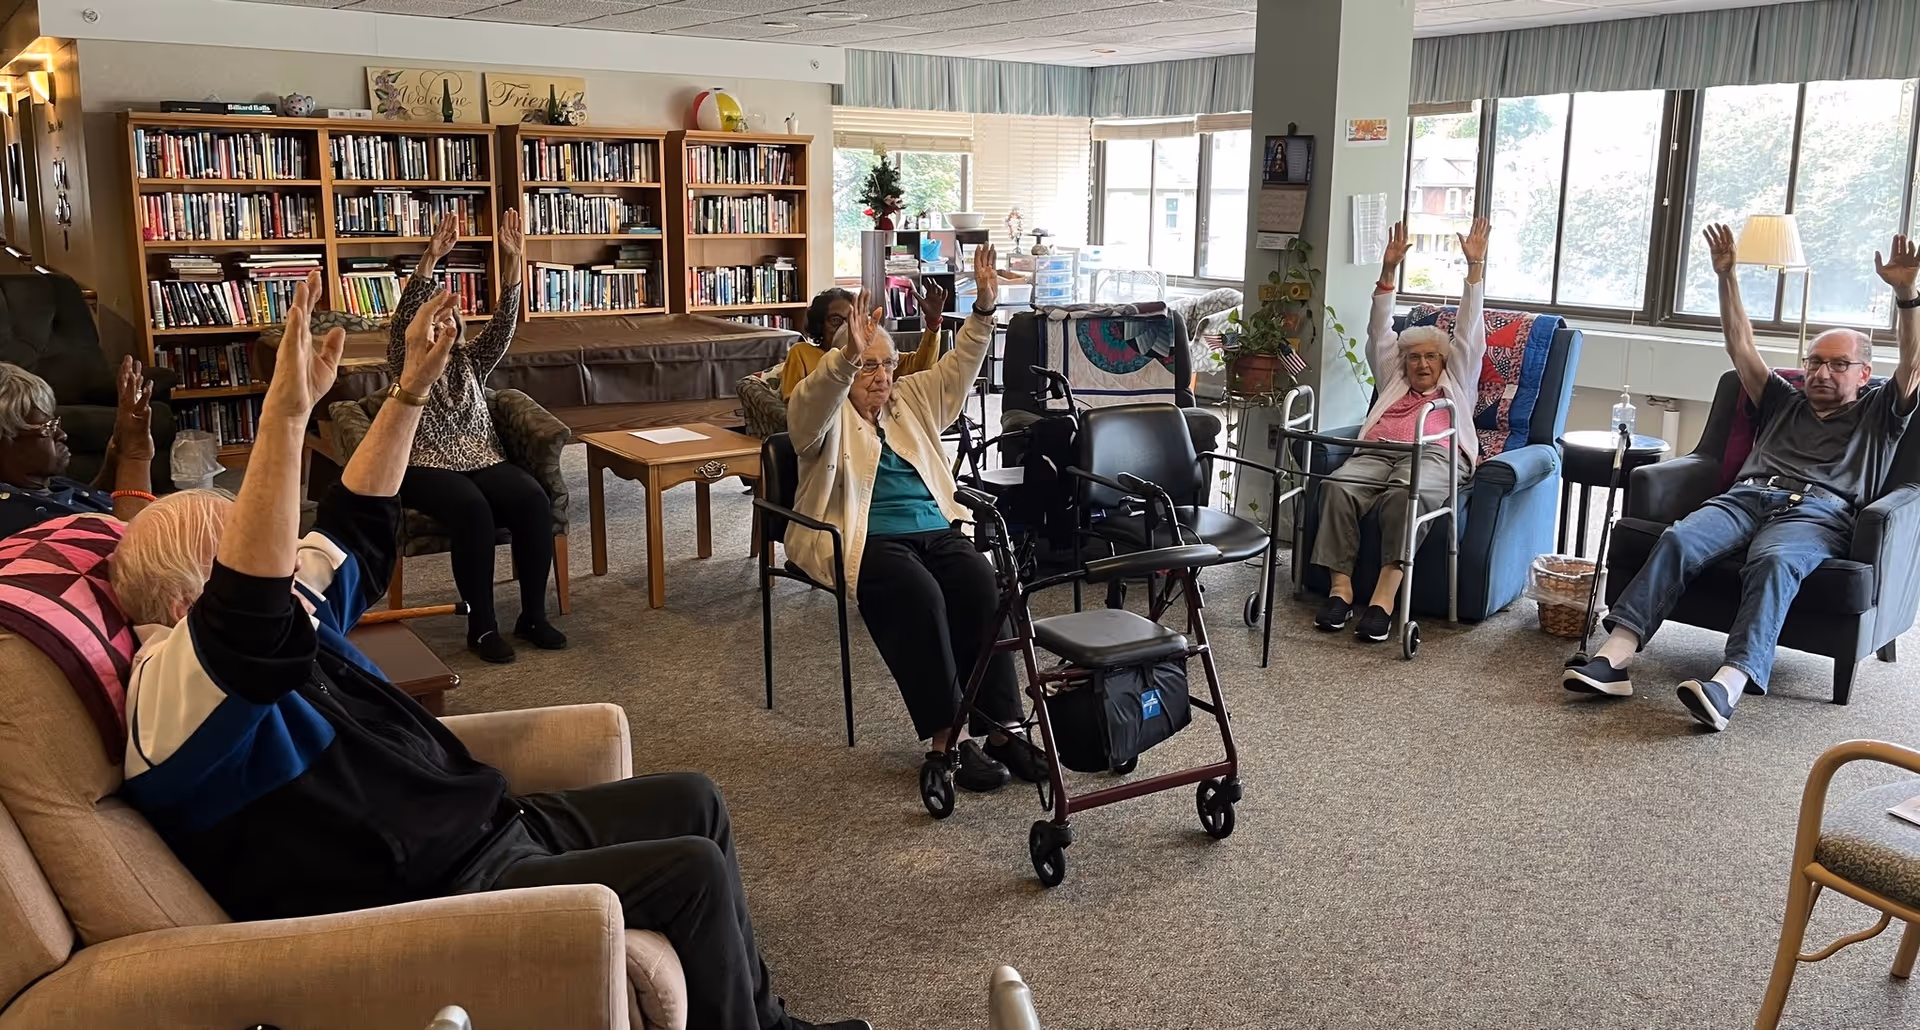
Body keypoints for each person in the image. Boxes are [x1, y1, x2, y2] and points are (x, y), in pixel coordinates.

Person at [112, 272, 866, 1030]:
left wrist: (408, 392)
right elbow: (248, 614)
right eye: (251, 549)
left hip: (489, 822)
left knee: (692, 798)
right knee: (691, 872)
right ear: (190, 602)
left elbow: (357, 529)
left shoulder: (276, 629)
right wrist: (282, 422)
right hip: (439, 886)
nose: (282, 560)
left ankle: (769, 1022)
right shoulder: (176, 707)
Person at [1562, 227, 1920, 731]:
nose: (1823, 373)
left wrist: (1906, 294)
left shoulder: (1881, 413)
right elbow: (1739, 344)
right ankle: (1614, 660)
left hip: (1817, 512)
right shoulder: (1781, 400)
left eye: (1840, 365)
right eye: (1815, 362)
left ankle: (1727, 685)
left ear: (1864, 373)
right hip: (1745, 498)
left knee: (1774, 563)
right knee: (1679, 538)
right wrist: (1726, 276)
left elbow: (1913, 362)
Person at [787, 245, 1041, 792]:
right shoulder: (824, 415)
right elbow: (812, 400)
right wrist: (845, 359)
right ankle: (948, 741)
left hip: (935, 526)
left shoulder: (910, 399)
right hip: (863, 538)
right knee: (919, 597)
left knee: (982, 586)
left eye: (886, 364)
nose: (880, 376)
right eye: (867, 366)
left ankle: (1002, 729)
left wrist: (982, 310)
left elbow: (958, 368)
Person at [391, 210, 564, 663]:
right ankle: (481, 627)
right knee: (473, 511)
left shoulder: (470, 361)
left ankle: (532, 615)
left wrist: (512, 261)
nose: (445, 322)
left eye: (452, 317)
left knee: (532, 501)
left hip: (481, 459)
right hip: (422, 464)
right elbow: (408, 316)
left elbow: (505, 322)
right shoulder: (406, 360)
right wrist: (430, 258)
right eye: (436, 317)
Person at [1312, 218, 1490, 642]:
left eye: (1431, 357)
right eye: (1415, 358)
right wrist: (1388, 271)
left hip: (1434, 455)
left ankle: (1383, 601)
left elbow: (1469, 330)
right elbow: (1379, 331)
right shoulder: (1393, 376)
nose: (1423, 364)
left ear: (1445, 362)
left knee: (1401, 498)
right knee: (1337, 487)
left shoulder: (1457, 378)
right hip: (1376, 452)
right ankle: (1340, 593)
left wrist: (1476, 268)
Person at [0, 355, 156, 536]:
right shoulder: (18, 514)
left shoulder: (50, 486)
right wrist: (135, 455)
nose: (62, 435)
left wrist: (118, 448)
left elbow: (96, 505)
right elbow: (130, 549)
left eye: (55, 423)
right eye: (47, 427)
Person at [780, 280, 942, 401]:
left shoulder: (876, 357)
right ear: (820, 325)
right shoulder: (803, 353)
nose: (848, 327)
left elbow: (921, 369)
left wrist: (933, 323)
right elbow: (793, 405)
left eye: (853, 319)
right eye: (836, 320)